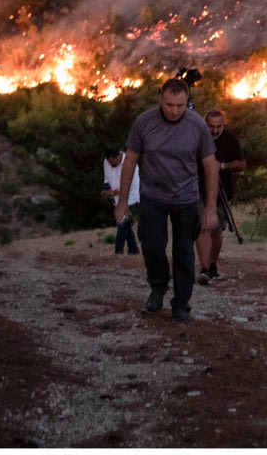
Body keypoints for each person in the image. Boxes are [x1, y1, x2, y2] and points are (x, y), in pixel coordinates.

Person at [114, 78, 219, 322]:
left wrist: (210, 208)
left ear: (187, 102)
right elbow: (130, 160)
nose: (174, 111)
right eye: (169, 104)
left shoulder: (197, 125)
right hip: (153, 196)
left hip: (185, 198)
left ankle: (181, 302)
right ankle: (158, 286)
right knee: (152, 244)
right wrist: (122, 203)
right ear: (161, 99)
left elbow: (210, 165)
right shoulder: (144, 122)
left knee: (183, 250)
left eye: (180, 106)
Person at [195, 109, 246, 285]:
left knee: (216, 231)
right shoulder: (198, 137)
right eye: (211, 126)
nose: (215, 130)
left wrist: (221, 166)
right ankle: (204, 268)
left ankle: (212, 264)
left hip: (221, 191)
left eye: (219, 126)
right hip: (199, 189)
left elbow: (241, 164)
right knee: (203, 227)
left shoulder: (230, 139)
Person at [101, 148, 140, 255]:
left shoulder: (130, 164)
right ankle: (133, 249)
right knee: (126, 224)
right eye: (109, 162)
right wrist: (107, 190)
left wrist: (113, 192)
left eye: (112, 161)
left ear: (118, 157)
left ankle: (119, 250)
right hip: (117, 199)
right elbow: (107, 178)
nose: (111, 164)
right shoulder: (107, 162)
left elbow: (131, 186)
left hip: (131, 198)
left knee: (122, 222)